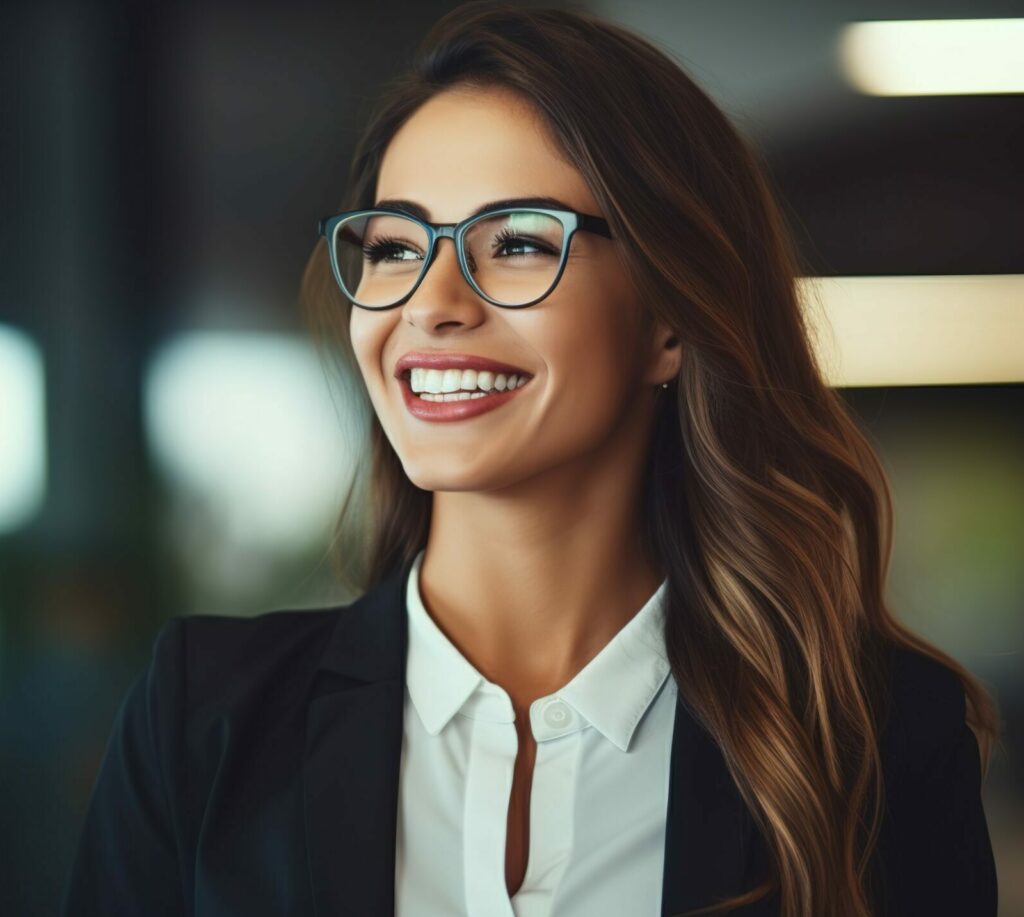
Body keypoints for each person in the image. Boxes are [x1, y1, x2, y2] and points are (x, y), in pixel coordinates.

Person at [61, 4, 1001, 916]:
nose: (430, 302)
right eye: (394, 246)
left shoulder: (874, 741)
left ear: (669, 322)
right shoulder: (204, 721)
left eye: (515, 242)